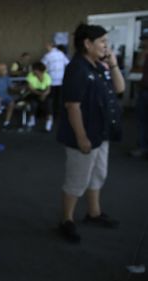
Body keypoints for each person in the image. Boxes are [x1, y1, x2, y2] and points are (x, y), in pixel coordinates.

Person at [57, 23, 125, 243]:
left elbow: (120, 88)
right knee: (77, 180)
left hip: (101, 133)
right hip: (84, 135)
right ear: (87, 44)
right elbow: (72, 106)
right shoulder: (77, 68)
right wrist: (81, 137)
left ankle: (93, 213)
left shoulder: (98, 66)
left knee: (97, 175)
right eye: (103, 42)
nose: (107, 46)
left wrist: (113, 65)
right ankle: (66, 220)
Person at [129, 34, 148, 159]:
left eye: (143, 40)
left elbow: (139, 64)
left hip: (146, 91)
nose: (141, 42)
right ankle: (143, 146)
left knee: (143, 120)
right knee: (142, 120)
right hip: (144, 89)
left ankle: (143, 147)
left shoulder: (144, 53)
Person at [41, 41, 70, 120]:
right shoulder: (61, 54)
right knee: (59, 99)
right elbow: (67, 63)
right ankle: (59, 116)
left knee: (50, 99)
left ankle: (50, 115)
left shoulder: (47, 56)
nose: (46, 47)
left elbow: (41, 68)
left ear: (50, 46)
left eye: (46, 46)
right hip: (61, 80)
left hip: (51, 81)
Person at [25, 62, 53, 131]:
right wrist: (40, 94)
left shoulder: (47, 76)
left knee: (48, 104)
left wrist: (44, 94)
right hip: (34, 93)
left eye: (34, 69)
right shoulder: (30, 75)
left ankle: (49, 123)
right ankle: (32, 119)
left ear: (38, 70)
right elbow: (31, 88)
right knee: (33, 104)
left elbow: (49, 89)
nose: (33, 71)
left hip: (45, 93)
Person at [0, 63, 15, 127]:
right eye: (4, 69)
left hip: (5, 96)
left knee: (11, 102)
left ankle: (7, 122)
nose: (6, 71)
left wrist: (22, 87)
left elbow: (12, 87)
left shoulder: (6, 77)